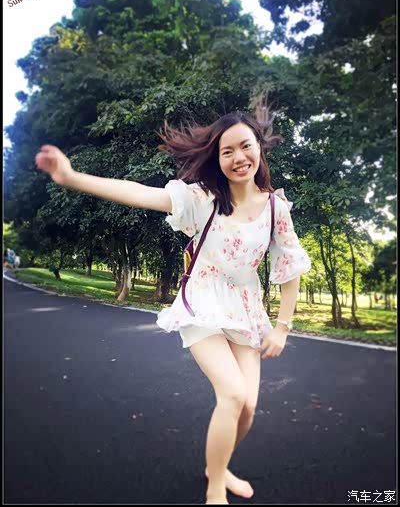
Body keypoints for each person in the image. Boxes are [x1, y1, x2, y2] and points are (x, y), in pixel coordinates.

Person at [35, 100, 311, 505]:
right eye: (227, 151)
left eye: (245, 146)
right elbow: (139, 193)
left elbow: (290, 267)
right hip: (202, 302)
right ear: (217, 159)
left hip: (246, 310)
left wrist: (283, 327)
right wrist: (71, 177)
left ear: (259, 148)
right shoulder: (202, 199)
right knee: (233, 394)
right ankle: (215, 489)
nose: (238, 157)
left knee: (248, 407)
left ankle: (219, 465)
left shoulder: (275, 208)